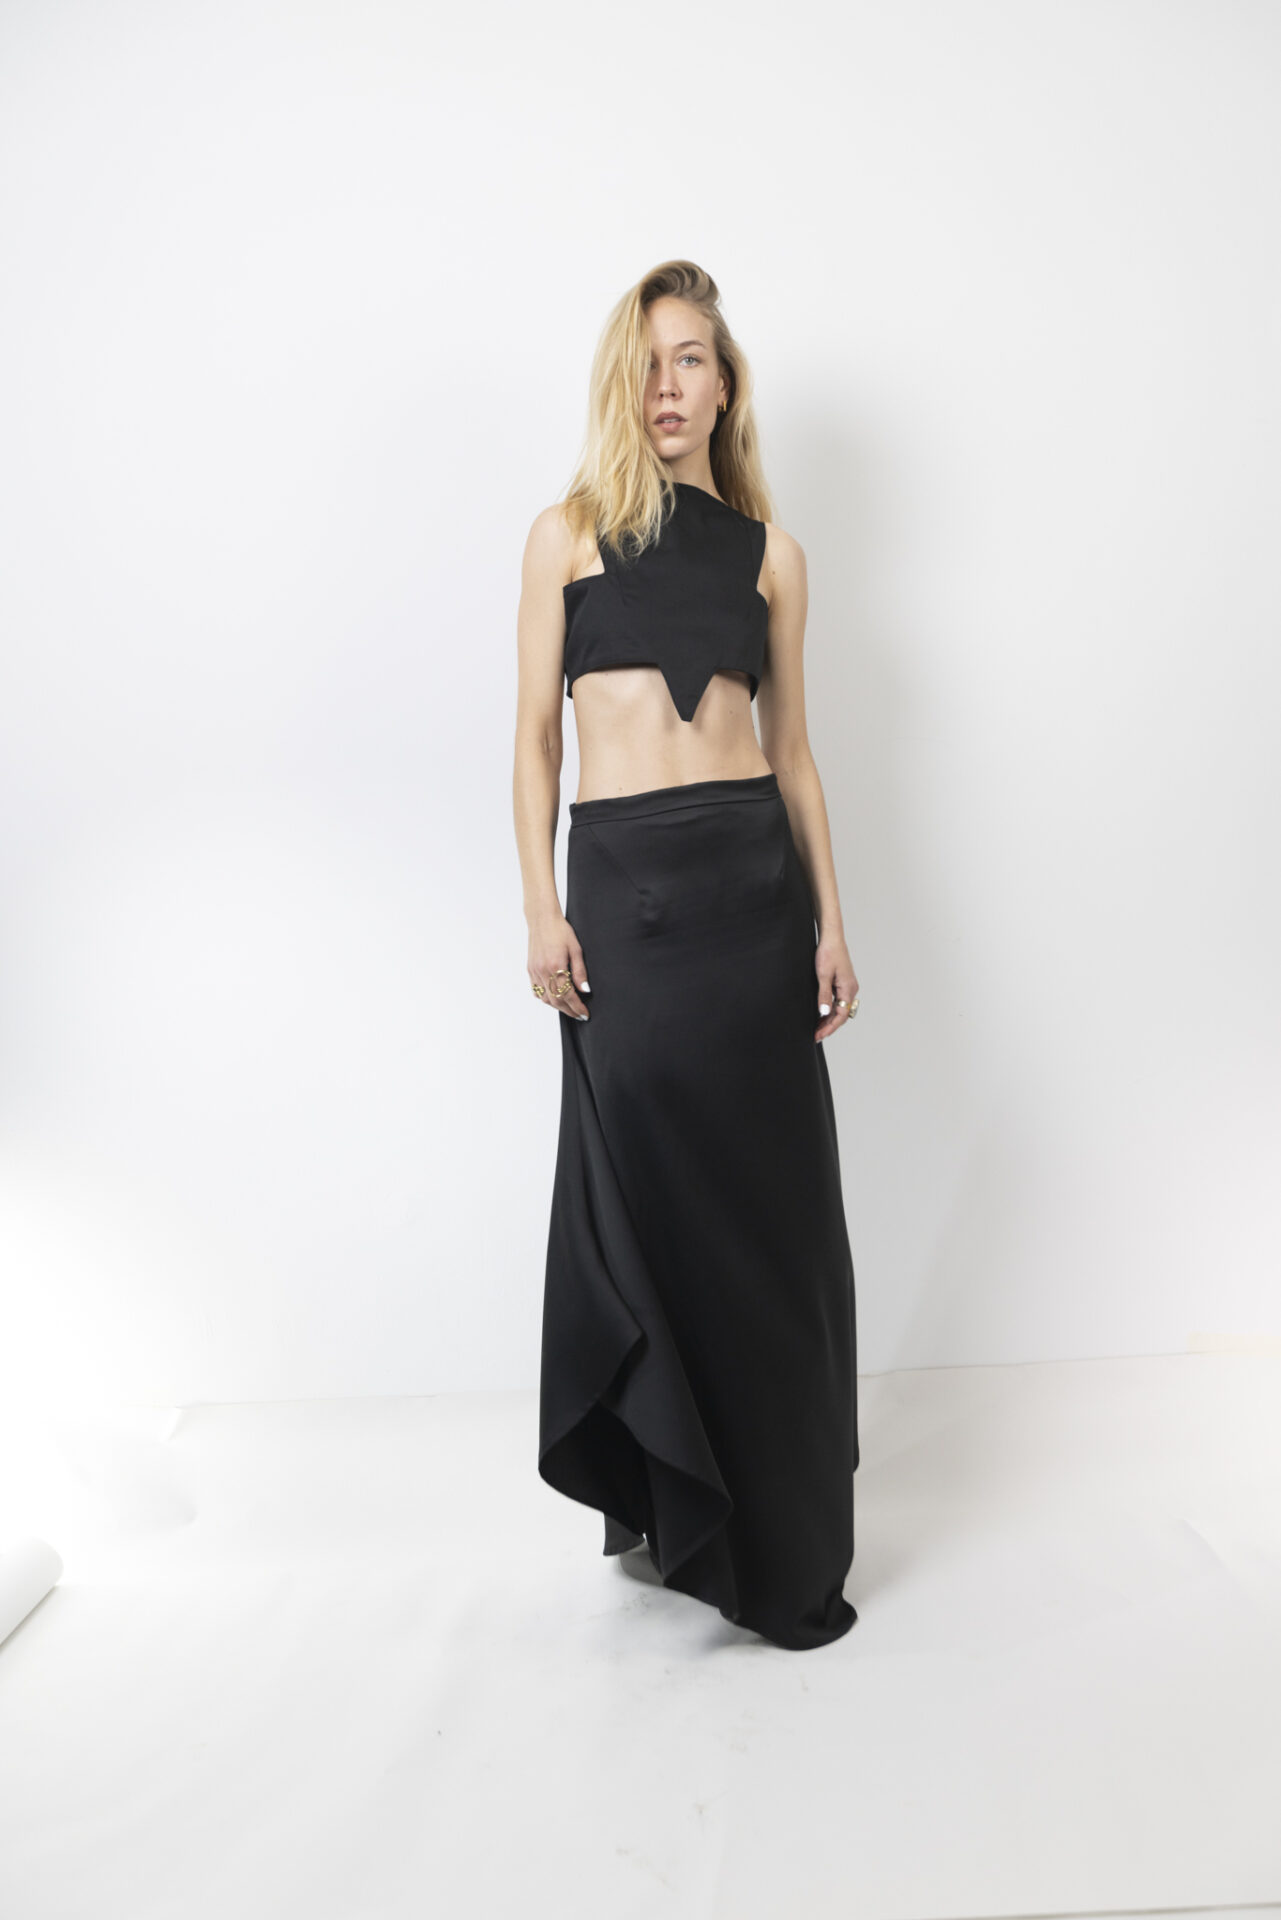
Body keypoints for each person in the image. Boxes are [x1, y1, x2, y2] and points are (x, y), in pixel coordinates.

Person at [512, 259, 861, 1650]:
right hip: (625, 909)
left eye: (693, 359)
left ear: (725, 385)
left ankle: (782, 1542)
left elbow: (795, 755)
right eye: (649, 361)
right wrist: (539, 909)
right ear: (626, 381)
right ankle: (673, 1504)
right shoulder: (565, 537)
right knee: (653, 1213)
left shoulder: (773, 556)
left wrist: (832, 919)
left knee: (771, 1222)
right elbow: (534, 741)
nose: (669, 386)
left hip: (750, 907)